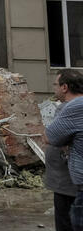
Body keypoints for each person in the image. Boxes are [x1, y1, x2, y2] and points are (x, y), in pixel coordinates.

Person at [46, 69, 83, 231]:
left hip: (68, 184)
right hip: (69, 181)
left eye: (56, 84)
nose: (54, 88)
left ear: (65, 87)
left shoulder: (71, 108)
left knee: (68, 223)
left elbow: (50, 137)